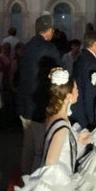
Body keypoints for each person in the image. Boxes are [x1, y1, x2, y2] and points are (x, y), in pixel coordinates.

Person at [17, 14, 62, 174]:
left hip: (24, 103)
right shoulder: (49, 48)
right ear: (50, 30)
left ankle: (24, 175)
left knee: (27, 145)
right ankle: (34, 182)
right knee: (39, 148)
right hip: (39, 105)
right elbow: (58, 75)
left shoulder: (27, 46)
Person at [70, 31, 96, 130]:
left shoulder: (80, 57)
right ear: (95, 44)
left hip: (76, 108)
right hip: (83, 113)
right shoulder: (91, 63)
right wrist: (91, 120)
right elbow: (89, 93)